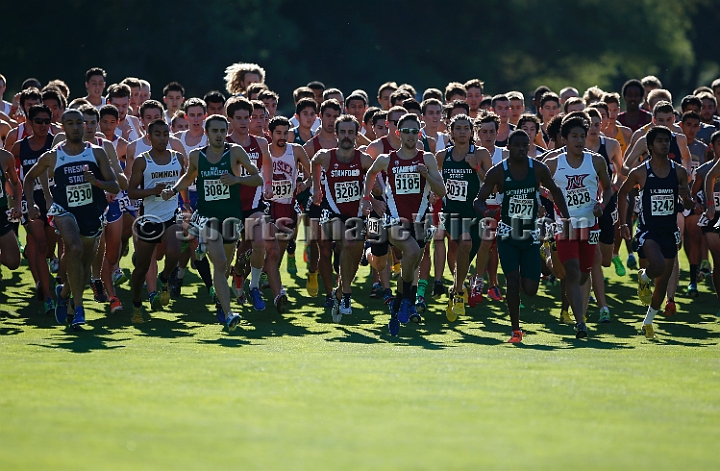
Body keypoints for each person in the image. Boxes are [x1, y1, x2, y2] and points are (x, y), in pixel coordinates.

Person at [24, 109, 120, 328]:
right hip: (63, 210)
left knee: (84, 266)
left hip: (91, 213)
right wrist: (31, 205)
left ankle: (64, 292)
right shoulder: (54, 155)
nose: (77, 127)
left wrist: (96, 183)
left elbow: (114, 185)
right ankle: (79, 309)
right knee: (74, 248)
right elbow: (29, 178)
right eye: (71, 123)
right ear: (63, 126)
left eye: (80, 123)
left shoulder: (97, 152)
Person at [475, 130, 570, 342]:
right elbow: (478, 201)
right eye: (516, 145)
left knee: (531, 290)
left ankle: (545, 251)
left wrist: (566, 217)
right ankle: (516, 329)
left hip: (530, 235)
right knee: (513, 280)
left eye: (524, 145)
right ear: (508, 147)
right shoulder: (498, 172)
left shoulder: (538, 169)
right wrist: (487, 212)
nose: (520, 149)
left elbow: (555, 191)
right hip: (507, 234)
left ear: (529, 147)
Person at [171, 114, 263, 330]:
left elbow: (257, 178)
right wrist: (173, 190)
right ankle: (230, 313)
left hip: (231, 217)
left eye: (223, 130)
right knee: (220, 261)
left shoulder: (235, 153)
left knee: (225, 265)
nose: (219, 135)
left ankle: (221, 304)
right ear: (207, 133)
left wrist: (237, 179)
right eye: (215, 131)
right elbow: (188, 177)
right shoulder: (196, 156)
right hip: (207, 216)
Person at [361, 113, 446, 336]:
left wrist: (427, 175)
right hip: (392, 221)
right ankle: (406, 300)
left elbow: (442, 191)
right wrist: (368, 199)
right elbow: (369, 174)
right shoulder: (386, 159)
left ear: (420, 132)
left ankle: (399, 305)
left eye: (414, 131)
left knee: (410, 266)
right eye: (405, 131)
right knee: (412, 251)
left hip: (419, 222)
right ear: (398, 133)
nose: (410, 135)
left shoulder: (426, 158)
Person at [617, 126, 693, 339]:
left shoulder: (679, 172)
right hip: (647, 230)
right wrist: (623, 224)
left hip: (669, 230)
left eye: (667, 141)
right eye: (659, 141)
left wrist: (686, 196)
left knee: (663, 282)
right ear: (650, 146)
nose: (664, 144)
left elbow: (687, 203)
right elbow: (622, 195)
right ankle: (644, 275)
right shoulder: (640, 172)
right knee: (657, 266)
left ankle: (648, 323)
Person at [545, 114, 613, 338]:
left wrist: (601, 205)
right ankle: (580, 322)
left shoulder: (596, 161)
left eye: (582, 136)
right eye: (574, 136)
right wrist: (550, 197)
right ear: (564, 138)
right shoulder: (554, 162)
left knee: (584, 272)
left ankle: (578, 312)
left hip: (590, 225)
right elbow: (536, 185)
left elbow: (609, 188)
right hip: (565, 225)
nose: (579, 140)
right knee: (572, 271)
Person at [311, 114, 374, 321]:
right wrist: (316, 189)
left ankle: (340, 290)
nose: (346, 136)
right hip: (332, 213)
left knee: (355, 254)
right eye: (343, 132)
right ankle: (346, 295)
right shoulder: (325, 156)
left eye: (351, 132)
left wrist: (371, 198)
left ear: (357, 135)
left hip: (355, 215)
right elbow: (314, 162)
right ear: (336, 134)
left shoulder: (363, 159)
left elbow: (376, 178)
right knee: (347, 242)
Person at [127, 119, 185, 322]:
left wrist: (183, 202)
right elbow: (131, 191)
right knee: (142, 266)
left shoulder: (178, 158)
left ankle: (164, 279)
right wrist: (152, 191)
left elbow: (183, 182)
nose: (163, 138)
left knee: (174, 251)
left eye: (166, 134)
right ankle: (136, 304)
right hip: (150, 218)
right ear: (149, 137)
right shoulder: (142, 160)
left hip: (172, 215)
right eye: (158, 134)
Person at [437, 114, 492, 320]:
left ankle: (455, 289)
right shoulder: (443, 156)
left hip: (476, 213)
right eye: (457, 128)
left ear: (471, 132)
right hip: (452, 212)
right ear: (450, 132)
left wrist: (476, 167)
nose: (462, 132)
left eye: (465, 128)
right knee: (465, 243)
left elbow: (492, 183)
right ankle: (460, 292)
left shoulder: (480, 153)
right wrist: (435, 192)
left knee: (467, 255)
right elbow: (436, 179)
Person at [224, 97, 274, 311]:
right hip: (229, 206)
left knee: (260, 242)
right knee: (232, 254)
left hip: (254, 204)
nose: (245, 122)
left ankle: (253, 287)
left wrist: (269, 183)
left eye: (248, 117)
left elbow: (268, 163)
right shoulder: (223, 143)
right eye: (240, 118)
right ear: (230, 120)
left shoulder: (260, 143)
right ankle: (231, 279)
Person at [12, 104, 56, 313]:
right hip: (31, 201)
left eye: (47, 121)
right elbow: (10, 177)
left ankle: (48, 282)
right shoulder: (20, 147)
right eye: (38, 121)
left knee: (49, 247)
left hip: (53, 200)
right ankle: (47, 295)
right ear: (28, 123)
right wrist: (16, 201)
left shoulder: (55, 143)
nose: (43, 125)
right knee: (39, 244)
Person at [698, 131, 720, 315]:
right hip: (715, 218)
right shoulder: (707, 168)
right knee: (718, 260)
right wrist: (710, 204)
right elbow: (709, 178)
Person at [0, 145, 22, 271]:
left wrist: (17, 205)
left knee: (13, 261)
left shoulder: (5, 157)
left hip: (1, 211)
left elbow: (14, 182)